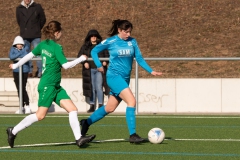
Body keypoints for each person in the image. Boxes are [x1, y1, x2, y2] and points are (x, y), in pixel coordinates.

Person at [7, 20, 96, 148]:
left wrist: (16, 64)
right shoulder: (56, 47)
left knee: (72, 109)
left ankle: (79, 139)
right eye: (61, 32)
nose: (61, 34)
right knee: (40, 115)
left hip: (55, 86)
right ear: (57, 33)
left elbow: (28, 56)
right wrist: (81, 59)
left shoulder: (43, 45)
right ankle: (13, 131)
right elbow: (66, 66)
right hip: (47, 85)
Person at [80, 19, 162, 144]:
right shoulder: (111, 41)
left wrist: (151, 71)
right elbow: (94, 51)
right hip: (113, 77)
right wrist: (98, 64)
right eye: (125, 32)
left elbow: (139, 58)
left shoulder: (132, 42)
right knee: (132, 101)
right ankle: (132, 135)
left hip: (124, 79)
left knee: (109, 108)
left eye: (129, 32)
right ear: (119, 30)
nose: (128, 34)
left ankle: (87, 122)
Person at [77, 29, 109, 113]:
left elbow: (107, 55)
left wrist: (105, 61)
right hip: (89, 70)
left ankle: (101, 105)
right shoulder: (85, 47)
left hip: (99, 70)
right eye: (92, 36)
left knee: (99, 87)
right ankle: (92, 105)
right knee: (92, 87)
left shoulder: (102, 46)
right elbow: (79, 56)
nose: (93, 37)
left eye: (95, 36)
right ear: (89, 37)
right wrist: (84, 62)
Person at [16, 0, 46, 78]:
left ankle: (40, 71)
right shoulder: (19, 8)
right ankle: (29, 71)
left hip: (35, 34)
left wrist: (37, 28)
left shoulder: (37, 7)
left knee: (38, 53)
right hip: (25, 35)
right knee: (27, 54)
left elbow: (43, 19)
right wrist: (24, 29)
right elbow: (19, 21)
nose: (27, 0)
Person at [9, 36, 32, 114]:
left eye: (21, 44)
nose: (19, 45)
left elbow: (27, 56)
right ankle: (21, 106)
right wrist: (20, 54)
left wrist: (19, 55)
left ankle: (27, 106)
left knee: (22, 88)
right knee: (19, 89)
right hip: (16, 71)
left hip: (24, 71)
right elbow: (11, 56)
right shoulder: (13, 49)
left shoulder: (26, 48)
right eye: (18, 44)